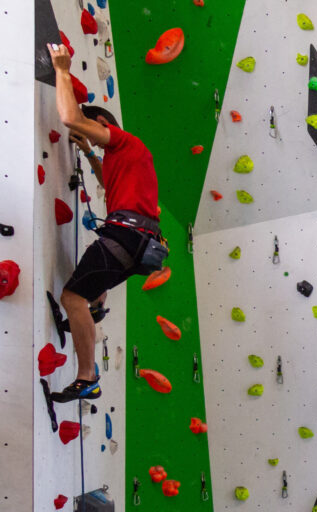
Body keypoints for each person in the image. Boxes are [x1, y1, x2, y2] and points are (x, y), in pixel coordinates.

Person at [47, 43, 165, 402]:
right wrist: (86, 153)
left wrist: (63, 70)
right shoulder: (122, 159)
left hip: (127, 236)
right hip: (140, 243)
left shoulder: (126, 142)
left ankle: (87, 377)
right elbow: (107, 182)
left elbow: (70, 117)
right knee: (90, 287)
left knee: (72, 295)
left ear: (102, 125)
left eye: (93, 131)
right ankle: (95, 306)